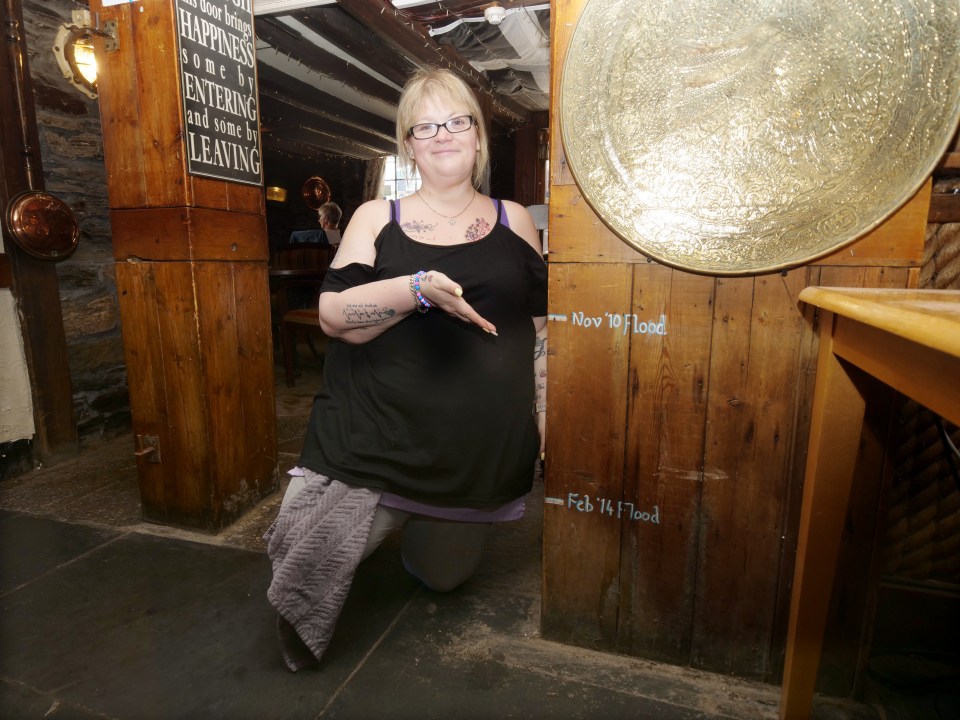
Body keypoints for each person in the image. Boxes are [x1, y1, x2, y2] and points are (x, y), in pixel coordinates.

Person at [264, 66, 548, 672]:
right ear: (409, 143)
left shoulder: (514, 218)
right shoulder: (376, 216)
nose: (443, 135)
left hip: (473, 453)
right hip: (377, 436)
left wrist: (543, 415)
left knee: (443, 579)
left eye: (457, 121)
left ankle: (424, 524)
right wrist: (415, 289)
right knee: (310, 561)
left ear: (478, 136)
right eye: (426, 126)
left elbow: (541, 328)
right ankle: (361, 533)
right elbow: (335, 317)